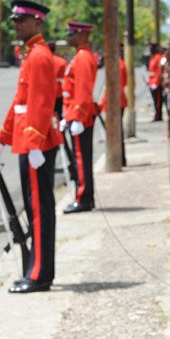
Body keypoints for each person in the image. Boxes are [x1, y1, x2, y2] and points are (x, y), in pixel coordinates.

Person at [0, 0, 62, 293]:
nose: (16, 25)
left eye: (21, 21)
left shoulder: (40, 56)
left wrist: (33, 144)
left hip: (36, 145)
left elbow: (42, 105)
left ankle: (40, 274)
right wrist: (1, 141)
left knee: (39, 209)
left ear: (36, 22)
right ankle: (36, 269)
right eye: (15, 21)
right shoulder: (32, 55)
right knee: (34, 208)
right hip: (30, 141)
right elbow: (20, 105)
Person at [62, 21, 98, 214]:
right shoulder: (80, 56)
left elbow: (83, 92)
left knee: (81, 160)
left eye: (72, 34)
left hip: (80, 118)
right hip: (76, 116)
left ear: (82, 36)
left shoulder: (82, 57)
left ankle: (83, 198)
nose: (69, 37)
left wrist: (77, 117)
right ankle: (84, 196)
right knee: (80, 160)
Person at [98, 45, 128, 167]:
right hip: (117, 102)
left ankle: (120, 159)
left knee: (116, 132)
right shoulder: (118, 64)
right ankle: (121, 159)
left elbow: (115, 88)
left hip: (117, 103)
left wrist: (103, 103)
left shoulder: (118, 65)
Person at [147, 43, 163, 121]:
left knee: (158, 101)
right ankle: (157, 115)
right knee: (154, 101)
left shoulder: (158, 57)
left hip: (156, 83)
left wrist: (157, 82)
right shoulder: (152, 58)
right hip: (151, 82)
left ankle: (158, 116)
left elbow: (159, 71)